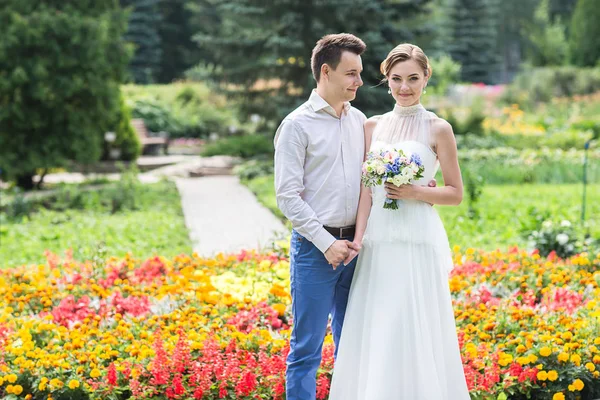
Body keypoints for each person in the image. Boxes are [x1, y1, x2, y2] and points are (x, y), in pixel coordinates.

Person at [328, 43, 470, 399]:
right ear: (386, 79)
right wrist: (359, 240)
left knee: (414, 320)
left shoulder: (439, 129)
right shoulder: (373, 126)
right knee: (380, 323)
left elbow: (455, 192)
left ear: (426, 78)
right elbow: (365, 190)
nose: (404, 87)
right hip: (379, 240)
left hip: (416, 238)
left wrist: (416, 193)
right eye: (396, 79)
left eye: (413, 79)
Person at [273, 33, 367, 400]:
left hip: (358, 249)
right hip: (316, 250)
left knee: (353, 344)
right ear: (325, 72)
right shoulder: (296, 125)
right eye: (351, 73)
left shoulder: (360, 121)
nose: (359, 81)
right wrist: (327, 244)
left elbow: (369, 182)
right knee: (306, 350)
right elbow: (287, 197)